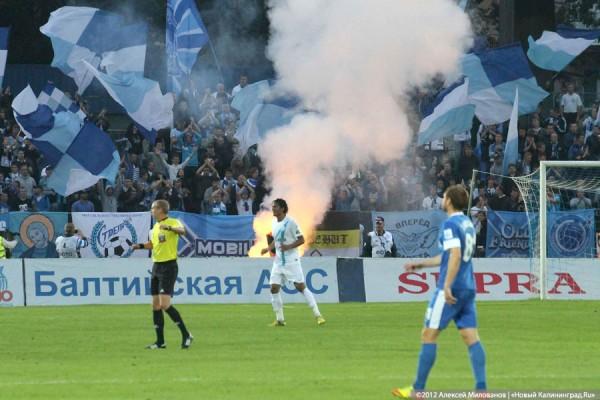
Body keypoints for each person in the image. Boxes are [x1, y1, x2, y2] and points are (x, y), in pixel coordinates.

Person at [392, 185, 486, 397]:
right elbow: (447, 256)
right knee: (470, 336)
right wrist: (421, 264)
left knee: (429, 334)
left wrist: (446, 285)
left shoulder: (450, 224)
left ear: (449, 200)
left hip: (451, 288)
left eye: (444, 197)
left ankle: (418, 390)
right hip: (468, 286)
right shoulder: (467, 223)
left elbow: (455, 255)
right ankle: (482, 390)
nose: (442, 200)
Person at [132, 200, 193, 349]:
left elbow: (183, 231)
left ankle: (186, 334)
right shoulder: (154, 227)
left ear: (160, 209)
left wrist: (169, 227)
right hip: (156, 266)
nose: (151, 211)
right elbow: (153, 245)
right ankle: (160, 342)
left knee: (165, 304)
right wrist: (139, 246)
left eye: (153, 208)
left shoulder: (172, 221)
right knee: (156, 305)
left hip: (169, 266)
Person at [260, 198, 325, 327]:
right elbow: (276, 240)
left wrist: (288, 247)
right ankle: (280, 320)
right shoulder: (274, 222)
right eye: (273, 206)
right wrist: (268, 248)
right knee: (273, 288)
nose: (273, 209)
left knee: (300, 287)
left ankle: (318, 315)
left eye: (275, 206)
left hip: (291, 261)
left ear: (282, 208)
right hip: (279, 261)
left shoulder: (291, 222)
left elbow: (301, 240)